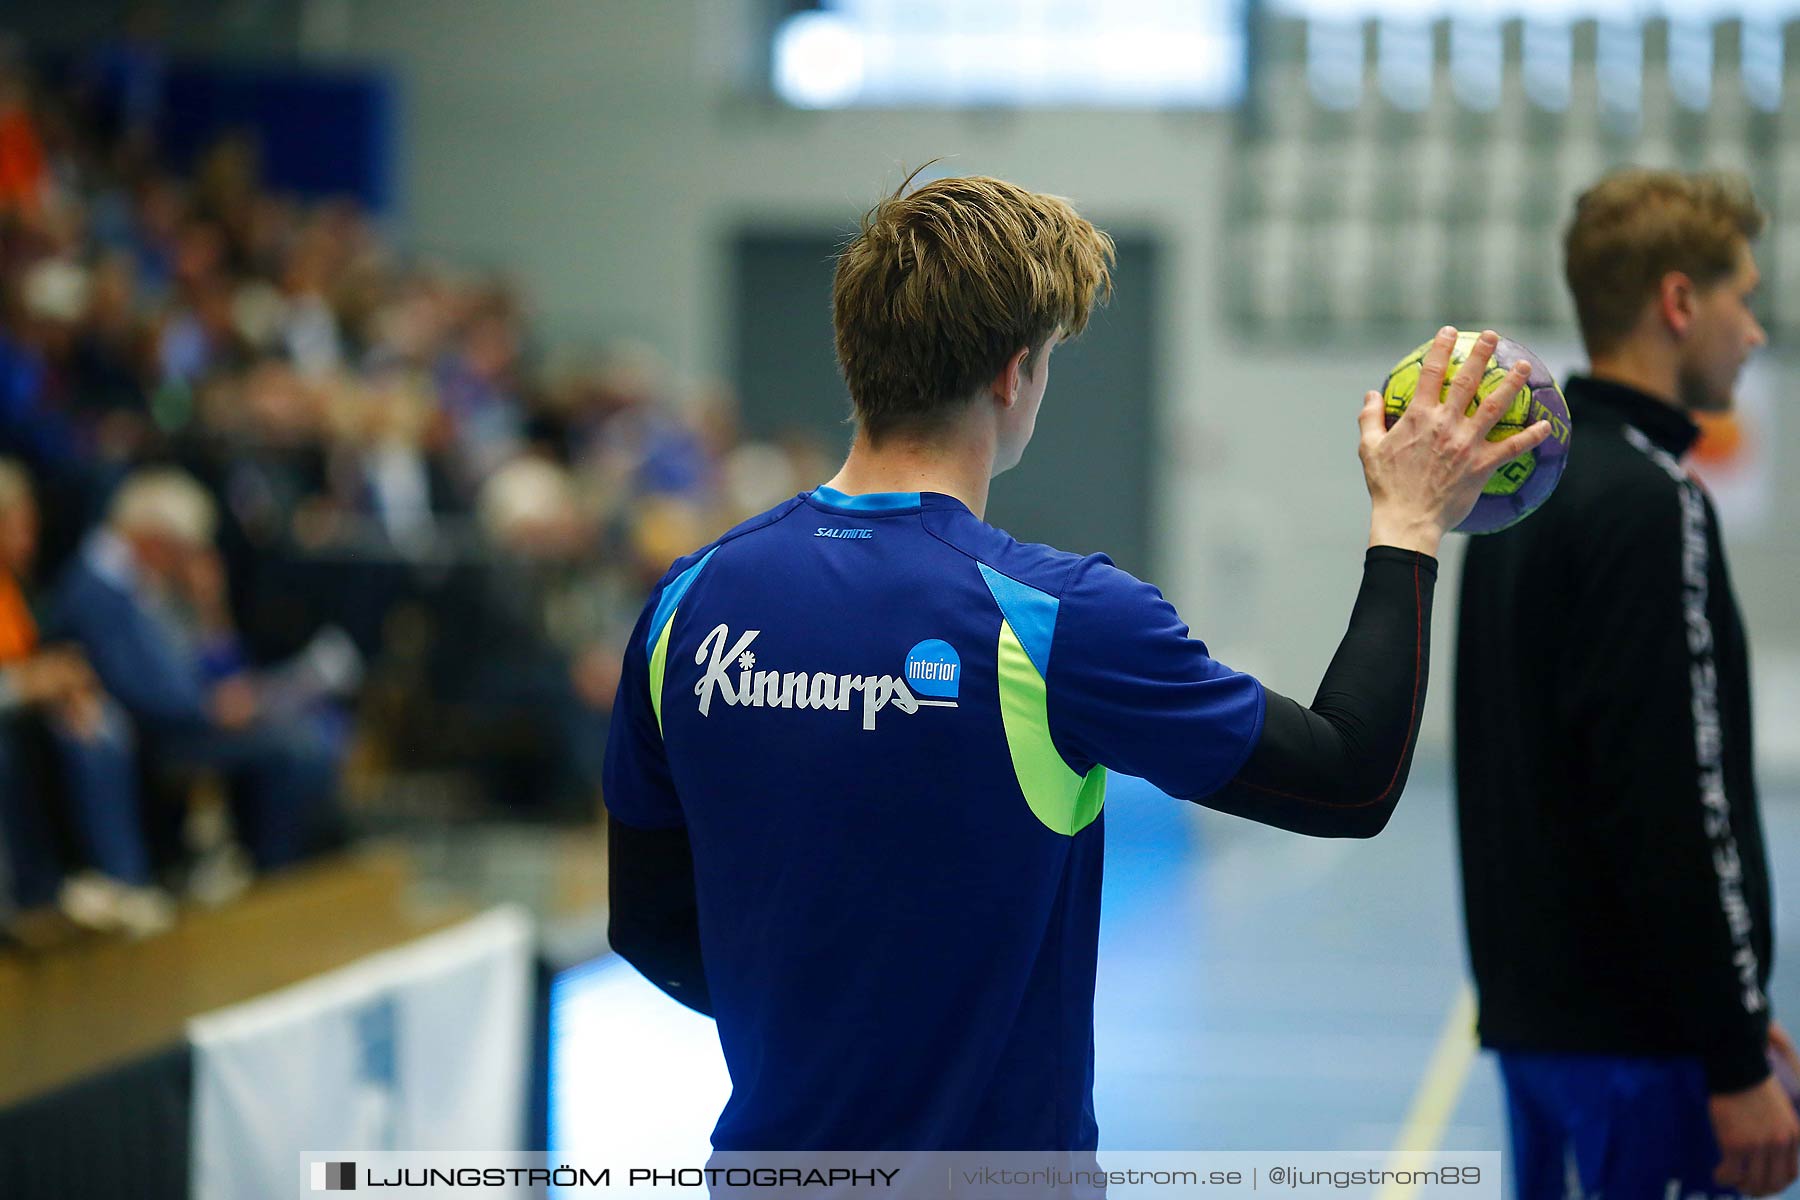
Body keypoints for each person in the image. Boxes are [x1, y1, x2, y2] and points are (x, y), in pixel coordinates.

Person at [602, 173, 1548, 1151]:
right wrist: (1407, 521)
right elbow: (1349, 779)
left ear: (859, 357)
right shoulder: (1055, 619)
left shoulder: (689, 601)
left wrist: (831, 1042)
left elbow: (647, 924)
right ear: (1014, 375)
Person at [1455, 168, 1798, 1199]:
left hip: (1540, 1032)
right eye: (1742, 298)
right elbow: (1676, 797)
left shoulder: (1526, 492)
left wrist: (1730, 1011)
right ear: (1679, 302)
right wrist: (1730, 1052)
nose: (1754, 332)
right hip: (1640, 1049)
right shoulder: (1654, 502)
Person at [49, 467, 340, 876]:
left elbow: (211, 660)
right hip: (160, 730)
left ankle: (280, 867)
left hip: (191, 712)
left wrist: (210, 607)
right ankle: (277, 873)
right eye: (184, 550)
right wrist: (207, 709)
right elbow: (131, 685)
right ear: (154, 541)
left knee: (312, 727)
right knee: (297, 746)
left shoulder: (148, 582)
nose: (190, 562)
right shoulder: (97, 587)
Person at [0, 458, 173, 936]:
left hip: (27, 719)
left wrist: (63, 688)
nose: (29, 540)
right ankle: (34, 897)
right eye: (17, 527)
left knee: (101, 725)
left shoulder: (12, 589)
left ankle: (118, 883)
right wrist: (25, 687)